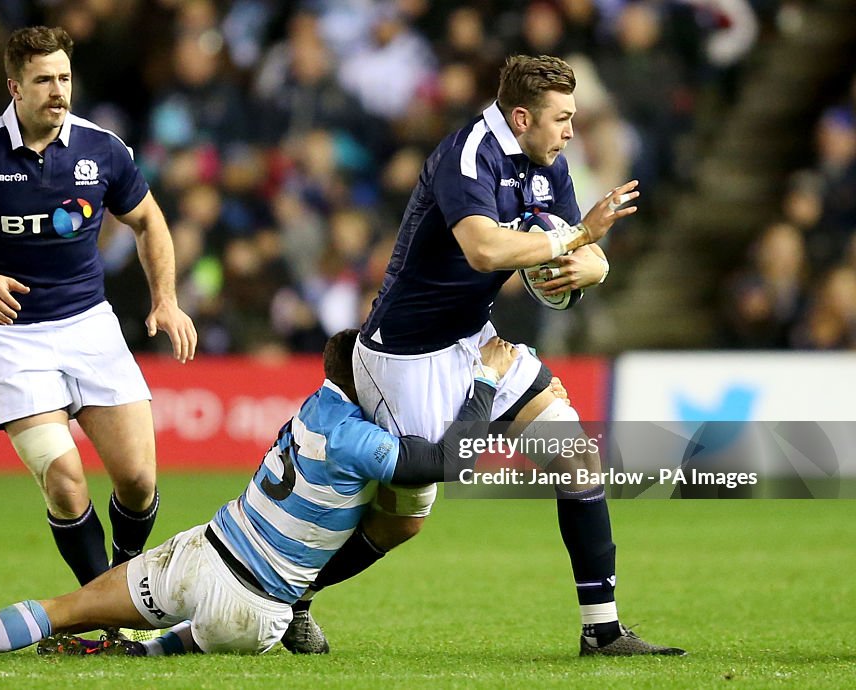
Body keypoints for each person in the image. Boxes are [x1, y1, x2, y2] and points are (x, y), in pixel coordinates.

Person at [289, 54, 685, 657]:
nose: (571, 131)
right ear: (521, 117)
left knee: (576, 458)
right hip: (406, 355)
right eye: (561, 119)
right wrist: (576, 241)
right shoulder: (468, 154)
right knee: (405, 518)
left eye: (574, 117)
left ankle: (601, 631)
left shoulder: (548, 165)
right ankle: (290, 596)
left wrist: (593, 265)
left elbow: (576, 251)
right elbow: (483, 250)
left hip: (477, 339)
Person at [0, 331, 515, 657]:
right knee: (143, 656)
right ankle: (136, 651)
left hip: (202, 551)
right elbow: (448, 459)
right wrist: (482, 382)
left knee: (65, 607)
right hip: (253, 607)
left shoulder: (311, 409)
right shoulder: (358, 439)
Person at [0, 27, 197, 589]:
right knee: (66, 480)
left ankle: (123, 578)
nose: (58, 90)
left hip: (90, 326)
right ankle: (104, 606)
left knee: (139, 480)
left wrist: (165, 300)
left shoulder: (102, 149)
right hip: (12, 336)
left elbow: (148, 220)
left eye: (64, 77)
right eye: (43, 79)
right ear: (14, 88)